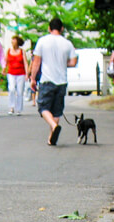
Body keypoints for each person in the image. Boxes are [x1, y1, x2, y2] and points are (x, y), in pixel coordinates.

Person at [29, 17, 77, 146]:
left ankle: (53, 126)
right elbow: (73, 62)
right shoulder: (67, 43)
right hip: (62, 81)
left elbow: (36, 62)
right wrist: (62, 62)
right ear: (62, 29)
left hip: (47, 80)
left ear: (49, 28)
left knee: (43, 107)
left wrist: (33, 78)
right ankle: (51, 137)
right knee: (56, 110)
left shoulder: (42, 41)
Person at [4, 35, 28, 115]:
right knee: (11, 89)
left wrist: (27, 74)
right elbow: (6, 61)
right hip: (11, 73)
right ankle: (11, 107)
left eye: (14, 40)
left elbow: (25, 63)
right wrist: (4, 69)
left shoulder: (22, 51)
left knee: (20, 91)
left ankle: (19, 109)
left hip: (21, 73)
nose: (12, 42)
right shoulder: (9, 51)